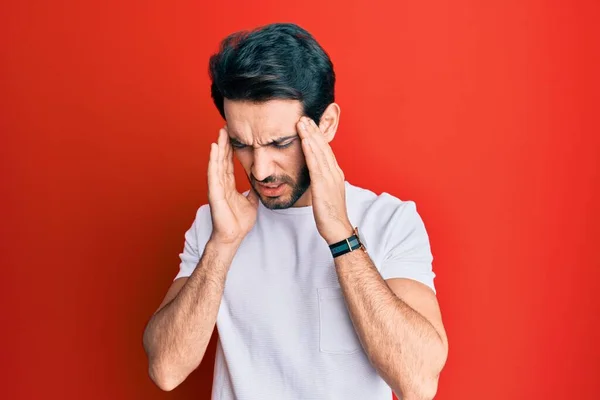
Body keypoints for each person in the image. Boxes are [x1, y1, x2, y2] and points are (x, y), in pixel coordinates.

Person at [142, 22, 448, 400]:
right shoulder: (215, 224)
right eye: (242, 144)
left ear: (327, 124)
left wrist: (341, 235)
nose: (260, 169)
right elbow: (166, 369)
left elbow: (417, 382)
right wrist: (222, 245)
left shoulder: (389, 221)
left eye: (280, 143)